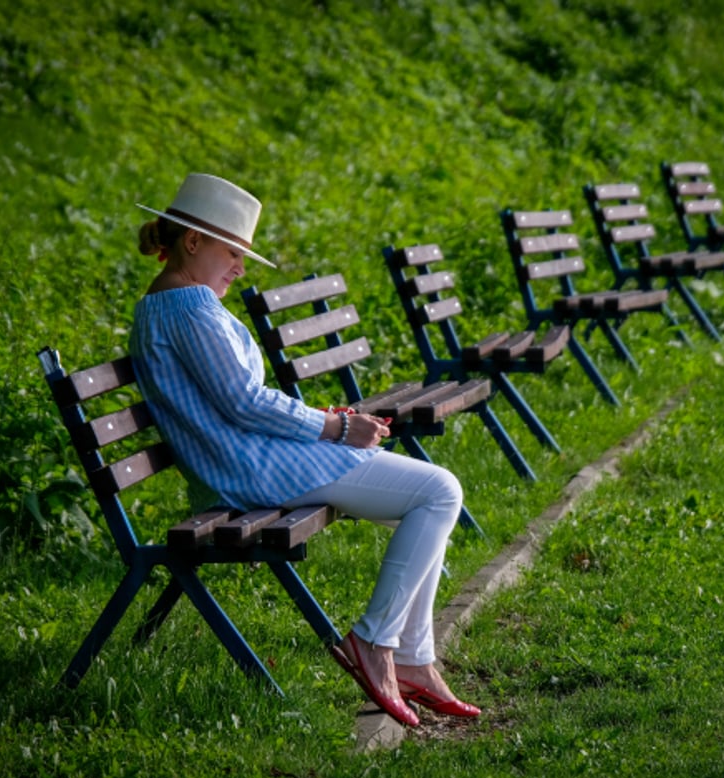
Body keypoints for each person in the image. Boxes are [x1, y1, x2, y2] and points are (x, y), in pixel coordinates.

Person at [128, 173, 479, 727]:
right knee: (437, 492)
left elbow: (233, 402)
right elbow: (243, 402)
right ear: (192, 242)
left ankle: (413, 658)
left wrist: (329, 422)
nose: (240, 267)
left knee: (433, 497)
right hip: (250, 469)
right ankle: (376, 644)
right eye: (233, 252)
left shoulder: (172, 305)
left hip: (246, 461)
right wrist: (335, 429)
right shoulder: (189, 309)